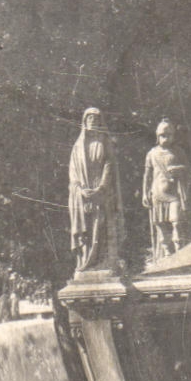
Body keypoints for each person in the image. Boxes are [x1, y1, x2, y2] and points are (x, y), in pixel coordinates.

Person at [68, 107, 123, 274]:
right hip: (83, 194)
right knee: (86, 228)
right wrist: (81, 189)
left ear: (100, 122)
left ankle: (102, 262)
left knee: (101, 225)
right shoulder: (78, 146)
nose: (92, 121)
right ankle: (85, 261)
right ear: (84, 122)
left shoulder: (104, 142)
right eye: (89, 118)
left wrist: (101, 187)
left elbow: (109, 165)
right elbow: (73, 171)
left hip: (101, 191)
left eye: (96, 119)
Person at [141, 119, 191, 262]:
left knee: (176, 221)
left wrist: (179, 169)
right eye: (163, 135)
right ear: (158, 136)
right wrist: (145, 193)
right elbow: (147, 175)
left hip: (174, 193)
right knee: (161, 224)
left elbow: (188, 170)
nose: (166, 138)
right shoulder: (152, 154)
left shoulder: (179, 152)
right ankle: (167, 253)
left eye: (169, 135)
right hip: (157, 193)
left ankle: (179, 249)